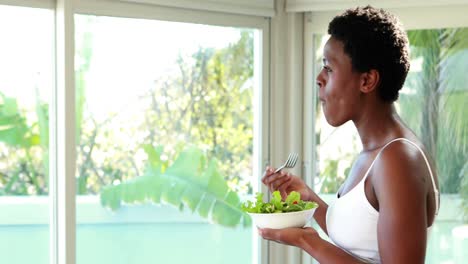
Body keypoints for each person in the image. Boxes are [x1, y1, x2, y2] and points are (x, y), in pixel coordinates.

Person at [260, 5, 439, 264]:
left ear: (367, 81)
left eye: (329, 68)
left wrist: (306, 240)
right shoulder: (378, 152)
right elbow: (359, 240)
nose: (319, 78)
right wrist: (308, 198)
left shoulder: (398, 159)